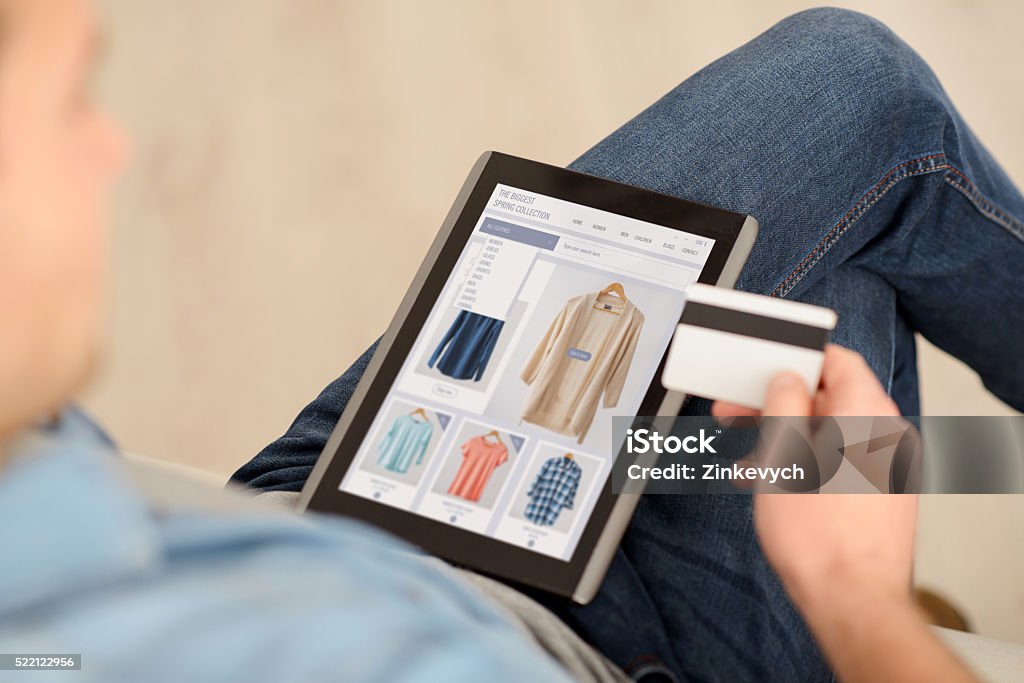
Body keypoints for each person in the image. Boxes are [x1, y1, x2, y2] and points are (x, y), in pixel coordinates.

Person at [0, 0, 1018, 680]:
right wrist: (855, 598)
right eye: (68, 103)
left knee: (843, 105)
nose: (110, 147)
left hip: (300, 508)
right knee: (840, 284)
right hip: (568, 641)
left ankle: (934, 475)